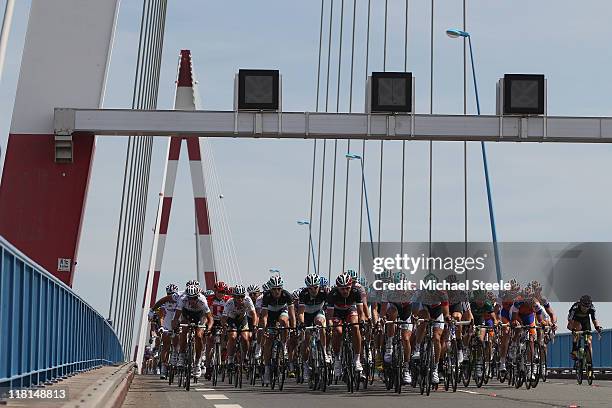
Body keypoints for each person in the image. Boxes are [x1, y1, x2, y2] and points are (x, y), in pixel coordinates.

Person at [170, 284, 214, 378]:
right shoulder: (183, 299)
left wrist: (208, 328)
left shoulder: (202, 300)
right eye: (190, 298)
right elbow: (176, 316)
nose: (192, 300)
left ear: (197, 296)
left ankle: (197, 363)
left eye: (194, 298)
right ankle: (181, 356)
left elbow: (210, 319)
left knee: (198, 335)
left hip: (199, 315)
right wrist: (175, 326)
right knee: (183, 330)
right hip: (187, 314)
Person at [259, 275, 295, 385]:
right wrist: (265, 329)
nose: (276, 291)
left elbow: (292, 315)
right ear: (270, 289)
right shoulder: (267, 296)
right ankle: (267, 369)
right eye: (274, 289)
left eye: (279, 288)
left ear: (282, 288)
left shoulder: (286, 295)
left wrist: (293, 330)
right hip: (270, 315)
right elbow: (264, 317)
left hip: (281, 312)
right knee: (268, 342)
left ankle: (283, 346)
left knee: (284, 321)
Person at [327, 273, 364, 378]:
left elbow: (361, 312)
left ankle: (357, 359)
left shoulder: (356, 292)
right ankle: (337, 359)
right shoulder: (332, 294)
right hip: (337, 312)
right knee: (337, 331)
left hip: (349, 310)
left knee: (356, 326)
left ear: (351, 286)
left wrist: (361, 321)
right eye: (342, 289)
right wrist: (330, 324)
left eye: (347, 288)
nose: (345, 291)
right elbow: (329, 316)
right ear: (337, 288)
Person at [297, 273, 329, 381]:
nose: (313, 290)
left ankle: (324, 351)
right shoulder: (304, 294)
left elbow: (329, 310)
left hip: (318, 313)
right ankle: (306, 366)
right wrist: (302, 324)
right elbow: (300, 313)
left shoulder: (324, 292)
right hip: (306, 315)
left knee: (321, 323)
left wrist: (329, 323)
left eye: (315, 287)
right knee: (306, 339)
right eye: (310, 288)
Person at [222, 285, 258, 370]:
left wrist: (254, 326)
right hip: (232, 319)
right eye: (237, 297)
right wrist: (225, 325)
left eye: (242, 296)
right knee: (233, 337)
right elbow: (223, 318)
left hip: (242, 319)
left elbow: (254, 315)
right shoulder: (229, 303)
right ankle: (230, 360)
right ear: (233, 297)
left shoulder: (247, 300)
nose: (240, 299)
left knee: (245, 338)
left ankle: (245, 357)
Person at [567, 295, 603, 361]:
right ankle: (574, 350)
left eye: (587, 307)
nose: (585, 309)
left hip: (585, 321)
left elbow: (594, 319)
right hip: (575, 320)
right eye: (583, 307)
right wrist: (573, 329)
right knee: (577, 330)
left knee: (589, 342)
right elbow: (570, 321)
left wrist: (597, 327)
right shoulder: (575, 307)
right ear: (580, 304)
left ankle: (589, 363)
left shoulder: (592, 308)